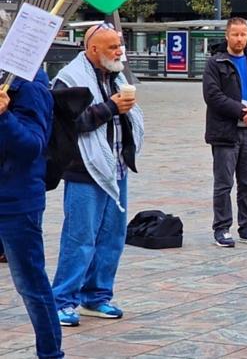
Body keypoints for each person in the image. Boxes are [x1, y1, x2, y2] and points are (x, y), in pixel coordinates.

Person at [52, 23, 145, 327]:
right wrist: (110, 108)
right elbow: (67, 123)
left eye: (120, 46)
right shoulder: (69, 79)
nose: (120, 51)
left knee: (112, 237)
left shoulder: (115, 76)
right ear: (93, 50)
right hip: (84, 171)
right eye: (112, 47)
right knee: (79, 238)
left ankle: (96, 296)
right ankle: (62, 301)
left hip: (116, 167)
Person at [0, 70, 64, 358]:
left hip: (16, 199)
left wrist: (3, 115)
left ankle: (50, 354)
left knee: (31, 284)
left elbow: (32, 145)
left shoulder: (30, 84)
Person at [203, 17, 247, 247]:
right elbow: (213, 96)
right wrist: (242, 111)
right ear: (227, 35)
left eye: (243, 34)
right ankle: (222, 228)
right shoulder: (216, 63)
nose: (239, 39)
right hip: (225, 132)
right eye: (235, 34)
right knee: (224, 183)